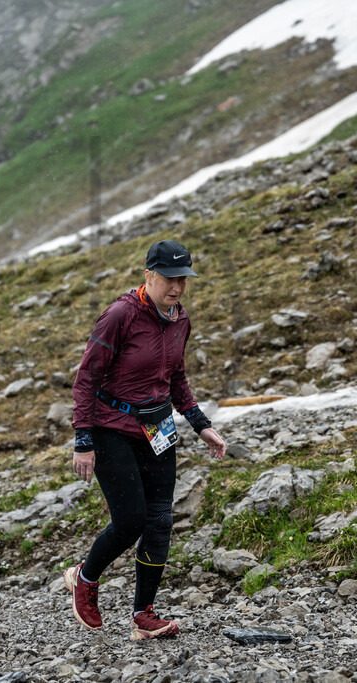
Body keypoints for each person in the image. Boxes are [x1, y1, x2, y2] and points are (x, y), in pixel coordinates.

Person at [65, 239, 227, 641]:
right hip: (112, 428)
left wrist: (200, 423)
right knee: (131, 519)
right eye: (170, 279)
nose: (177, 288)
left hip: (158, 428)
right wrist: (83, 439)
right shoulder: (120, 315)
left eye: (184, 280)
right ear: (148, 275)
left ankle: (144, 616)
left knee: (160, 521)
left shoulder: (179, 319)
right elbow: (86, 379)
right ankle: (84, 579)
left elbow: (176, 378)